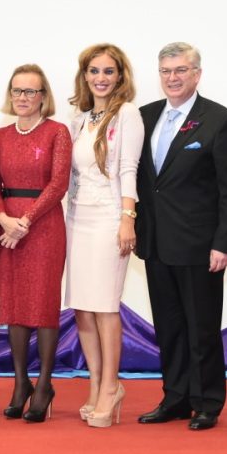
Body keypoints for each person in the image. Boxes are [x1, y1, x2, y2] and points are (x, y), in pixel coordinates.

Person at [135, 42, 227, 431]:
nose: (173, 78)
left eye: (181, 70)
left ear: (197, 74)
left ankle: (207, 402)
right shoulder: (143, 116)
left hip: (201, 245)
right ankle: (176, 397)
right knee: (169, 326)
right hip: (155, 243)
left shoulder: (218, 120)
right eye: (166, 71)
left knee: (201, 327)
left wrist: (224, 243)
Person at [65, 44, 144, 428]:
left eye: (108, 71)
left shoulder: (127, 114)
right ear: (85, 76)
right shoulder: (79, 118)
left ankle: (112, 386)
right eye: (93, 71)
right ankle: (96, 383)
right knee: (82, 307)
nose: (100, 78)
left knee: (105, 307)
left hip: (110, 220)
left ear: (120, 76)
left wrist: (127, 218)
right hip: (77, 220)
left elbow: (129, 168)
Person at [0, 64, 71, 422]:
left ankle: (44, 384)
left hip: (44, 227)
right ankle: (20, 383)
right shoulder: (0, 136)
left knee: (43, 305)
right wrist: (3, 217)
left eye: (31, 92)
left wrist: (25, 221)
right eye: (17, 91)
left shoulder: (57, 132)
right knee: (13, 305)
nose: (23, 98)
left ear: (43, 97)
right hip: (7, 228)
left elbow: (58, 183)